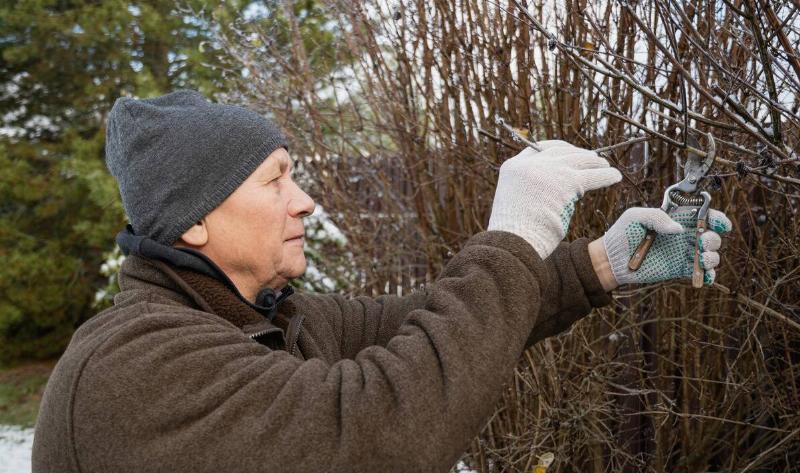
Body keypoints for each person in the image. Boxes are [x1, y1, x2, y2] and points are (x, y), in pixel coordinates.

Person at [32, 90, 731, 473]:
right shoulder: (136, 367)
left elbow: (428, 323)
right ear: (194, 222)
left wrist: (599, 265)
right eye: (275, 179)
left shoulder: (267, 320)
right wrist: (513, 231)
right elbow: (378, 432)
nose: (304, 200)